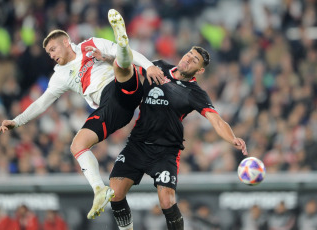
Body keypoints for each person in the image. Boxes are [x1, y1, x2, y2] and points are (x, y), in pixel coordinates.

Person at [0, 11, 164, 219]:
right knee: (77, 145)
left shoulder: (90, 44)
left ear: (66, 42)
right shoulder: (60, 75)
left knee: (120, 66)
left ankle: (120, 40)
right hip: (113, 110)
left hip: (121, 87)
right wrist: (16, 121)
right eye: (48, 53)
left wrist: (149, 66)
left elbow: (129, 53)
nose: (51, 55)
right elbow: (41, 103)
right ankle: (99, 190)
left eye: (53, 49)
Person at [106, 10, 248, 230]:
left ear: (199, 71)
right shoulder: (158, 66)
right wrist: (106, 58)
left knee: (167, 201)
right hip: (138, 144)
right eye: (189, 54)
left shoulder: (195, 93)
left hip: (166, 150)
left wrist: (232, 139)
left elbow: (216, 120)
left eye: (194, 60)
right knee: (114, 194)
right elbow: (128, 67)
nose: (188, 59)